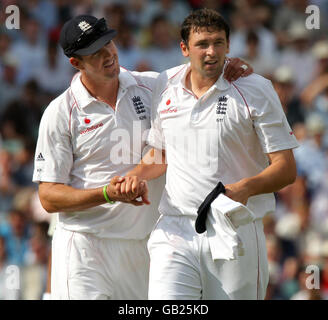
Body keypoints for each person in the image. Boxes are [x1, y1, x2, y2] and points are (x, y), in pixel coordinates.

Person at [32, 14, 252, 300]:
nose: (108, 55)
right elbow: (49, 197)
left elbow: (201, 76)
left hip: (143, 246)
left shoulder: (153, 87)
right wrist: (108, 194)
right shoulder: (60, 113)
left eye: (108, 44)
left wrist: (230, 66)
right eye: (94, 53)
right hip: (84, 247)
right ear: (76, 63)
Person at [119, 8, 299, 299]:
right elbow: (161, 153)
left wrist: (244, 188)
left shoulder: (256, 88)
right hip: (174, 228)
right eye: (202, 44)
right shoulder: (165, 84)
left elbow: (286, 168)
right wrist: (132, 177)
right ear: (184, 48)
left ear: (229, 45)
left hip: (234, 225)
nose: (211, 52)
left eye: (218, 42)